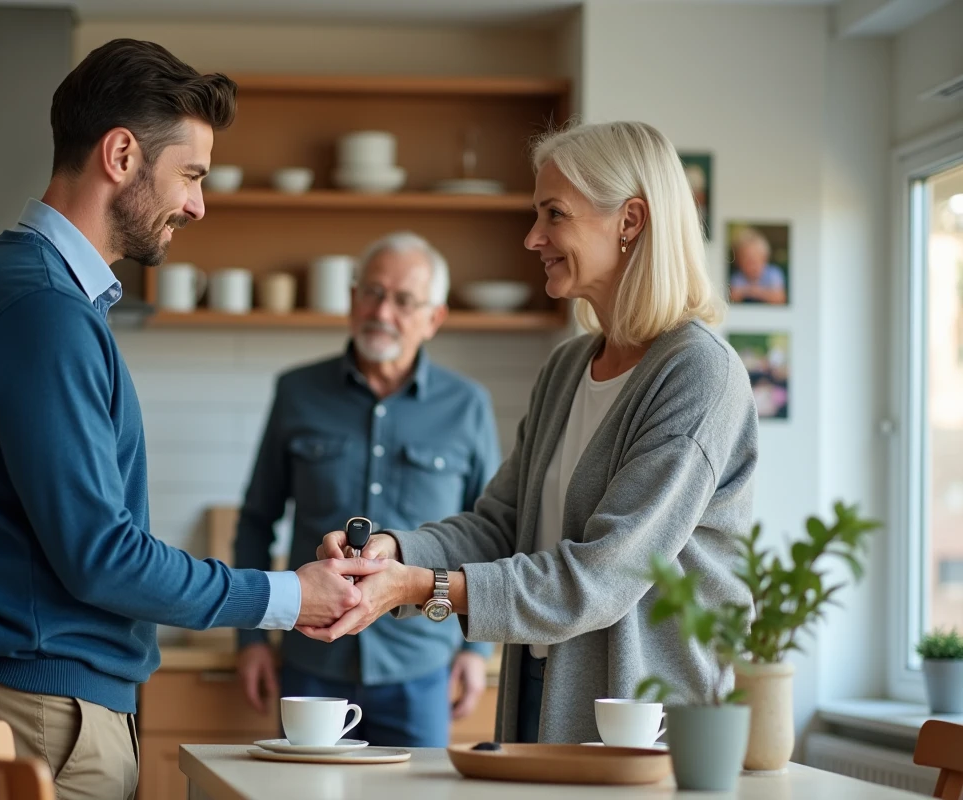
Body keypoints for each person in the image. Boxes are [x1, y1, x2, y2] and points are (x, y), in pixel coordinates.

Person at [0, 39, 383, 800]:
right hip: (42, 713)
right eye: (191, 175)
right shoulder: (44, 310)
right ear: (121, 155)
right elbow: (102, 556)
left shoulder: (18, 288)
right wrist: (289, 597)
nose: (198, 205)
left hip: (23, 704)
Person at [308, 120, 759, 745]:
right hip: (541, 689)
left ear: (630, 221)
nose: (533, 237)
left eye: (555, 214)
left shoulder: (697, 373)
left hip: (640, 716)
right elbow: (501, 524)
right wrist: (395, 552)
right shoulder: (568, 367)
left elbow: (603, 575)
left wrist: (422, 587)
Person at [234, 232, 500, 747]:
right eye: (373, 293)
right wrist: (251, 638)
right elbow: (256, 519)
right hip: (311, 662)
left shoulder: (468, 406)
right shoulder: (296, 392)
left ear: (434, 318)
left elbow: (488, 533)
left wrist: (477, 650)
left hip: (421, 666)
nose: (382, 312)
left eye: (404, 300)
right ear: (353, 298)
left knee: (417, 788)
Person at [728, 227, 787, 304]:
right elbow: (732, 298)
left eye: (755, 261)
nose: (752, 266)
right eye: (747, 262)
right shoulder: (738, 276)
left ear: (765, 259)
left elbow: (780, 299)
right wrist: (750, 291)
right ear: (739, 262)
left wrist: (757, 292)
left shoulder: (773, 273)